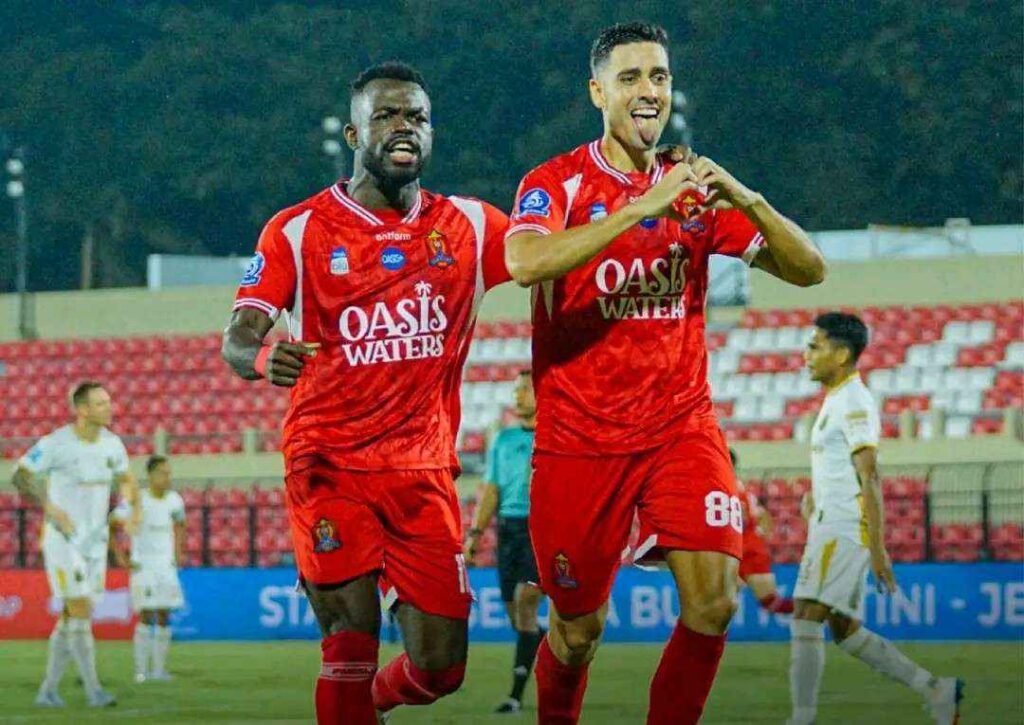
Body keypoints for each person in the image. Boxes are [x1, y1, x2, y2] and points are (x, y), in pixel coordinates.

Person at [503, 22, 826, 724]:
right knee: (578, 632)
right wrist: (641, 206)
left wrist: (744, 197)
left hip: (681, 429)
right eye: (630, 78)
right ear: (598, 93)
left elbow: (810, 269)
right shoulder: (556, 182)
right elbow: (524, 262)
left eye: (659, 76)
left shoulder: (696, 193)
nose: (648, 90)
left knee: (714, 602)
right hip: (579, 443)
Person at [221, 61, 509, 724]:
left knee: (441, 666)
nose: (404, 127)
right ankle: (354, 691)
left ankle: (374, 701)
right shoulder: (297, 229)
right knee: (350, 640)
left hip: (422, 472)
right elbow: (237, 336)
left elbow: (547, 257)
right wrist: (262, 355)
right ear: (353, 134)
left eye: (417, 117)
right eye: (386, 115)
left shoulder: (470, 225)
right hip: (329, 465)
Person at [789, 312, 962, 725]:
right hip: (830, 522)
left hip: (844, 527)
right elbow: (844, 469)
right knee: (844, 628)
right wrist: (816, 499)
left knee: (805, 616)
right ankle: (936, 690)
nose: (806, 354)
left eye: (815, 346)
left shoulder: (854, 401)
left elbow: (870, 475)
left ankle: (802, 718)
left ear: (841, 354)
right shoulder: (837, 398)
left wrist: (879, 548)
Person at [12, 381, 139, 709]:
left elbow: (126, 479)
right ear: (82, 409)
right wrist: (50, 508)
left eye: (108, 401)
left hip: (95, 542)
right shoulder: (57, 443)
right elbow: (21, 474)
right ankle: (94, 691)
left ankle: (48, 691)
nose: (109, 408)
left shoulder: (112, 444)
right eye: (100, 403)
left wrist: (126, 506)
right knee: (80, 609)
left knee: (73, 615)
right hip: (63, 540)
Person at [465, 370, 544, 714]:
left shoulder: (555, 437)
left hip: (541, 529)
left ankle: (514, 696)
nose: (517, 396)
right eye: (516, 390)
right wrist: (475, 534)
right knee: (517, 616)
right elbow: (491, 490)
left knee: (525, 600)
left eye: (524, 389)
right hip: (508, 531)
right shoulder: (504, 439)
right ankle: (541, 640)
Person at [111, 455, 185, 683]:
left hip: (165, 565)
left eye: (169, 473)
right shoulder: (136, 499)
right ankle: (141, 671)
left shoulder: (174, 500)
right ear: (151, 475)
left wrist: (177, 553)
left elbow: (180, 524)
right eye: (163, 473)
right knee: (145, 615)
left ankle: (159, 671)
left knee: (164, 615)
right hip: (143, 564)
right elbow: (112, 524)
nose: (167, 477)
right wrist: (120, 556)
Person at [729, 447, 793, 614]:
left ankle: (816, 609)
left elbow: (761, 517)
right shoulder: (742, 489)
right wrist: (761, 534)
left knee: (771, 603)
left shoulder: (728, 488)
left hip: (744, 550)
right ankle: (816, 609)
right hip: (741, 549)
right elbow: (763, 515)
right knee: (719, 603)